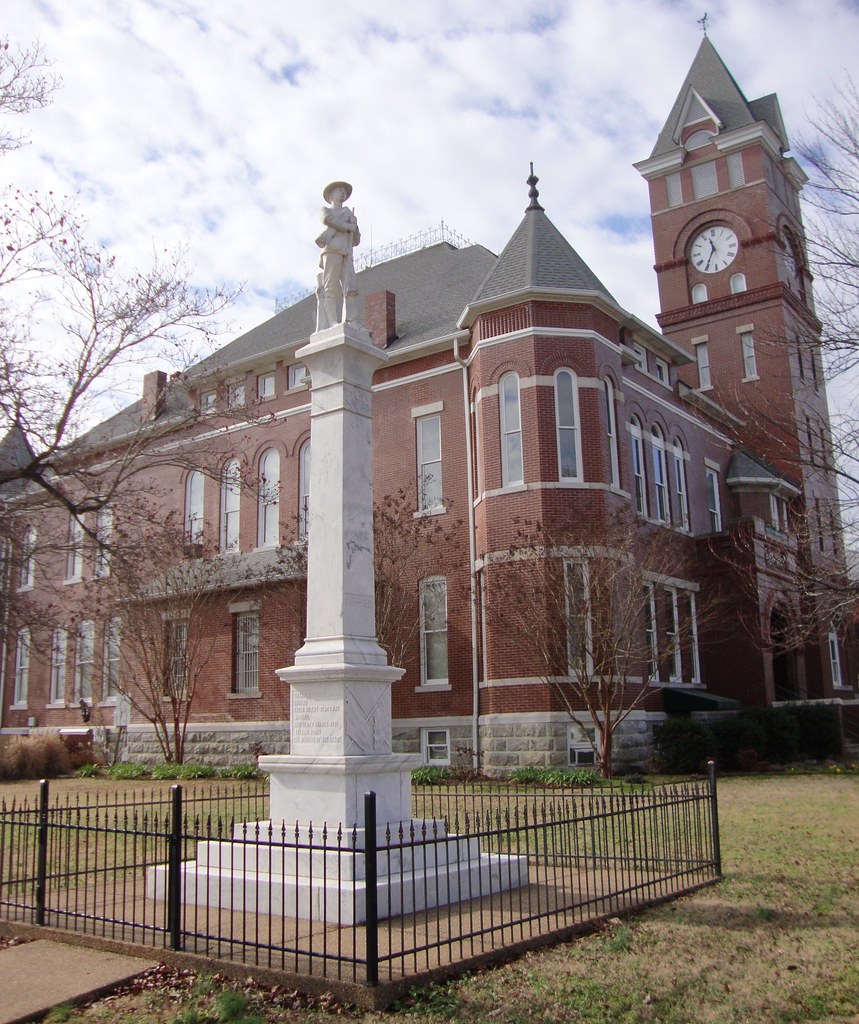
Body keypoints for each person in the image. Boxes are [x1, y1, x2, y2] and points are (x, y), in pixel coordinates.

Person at [315, 181, 361, 331]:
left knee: (351, 287)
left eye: (344, 192)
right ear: (331, 195)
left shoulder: (349, 215)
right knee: (331, 287)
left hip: (346, 253)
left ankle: (352, 321)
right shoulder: (326, 210)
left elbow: (356, 241)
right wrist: (346, 225)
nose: (343, 193)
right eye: (339, 190)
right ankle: (332, 322)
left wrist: (354, 227)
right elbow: (327, 219)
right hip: (332, 251)